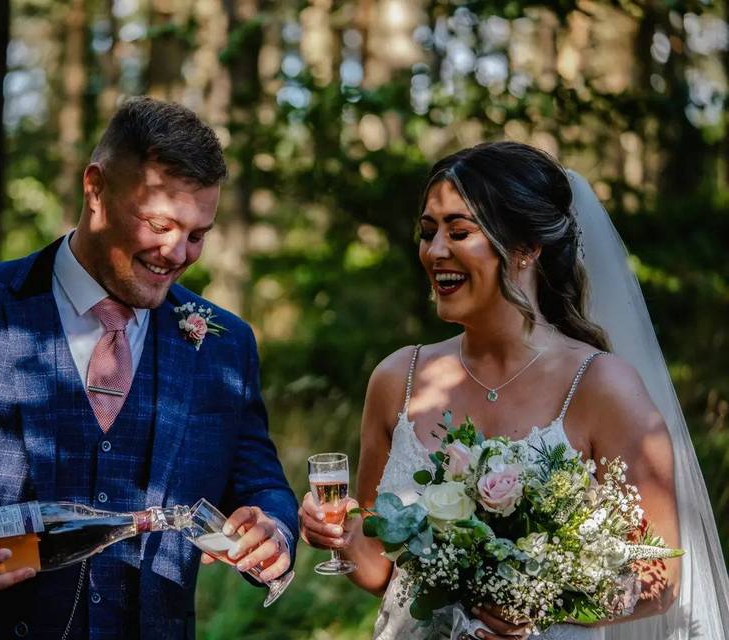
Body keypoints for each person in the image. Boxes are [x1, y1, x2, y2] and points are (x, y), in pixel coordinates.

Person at [0, 97, 298, 640]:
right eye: (160, 225)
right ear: (95, 190)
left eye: (197, 234)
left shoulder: (223, 344)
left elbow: (262, 484)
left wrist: (273, 528)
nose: (177, 253)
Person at [298, 142, 729, 639]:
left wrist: (540, 605)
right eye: (428, 232)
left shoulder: (601, 386)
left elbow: (661, 579)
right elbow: (382, 572)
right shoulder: (399, 379)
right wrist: (343, 536)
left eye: (459, 232)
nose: (436, 251)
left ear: (525, 247)